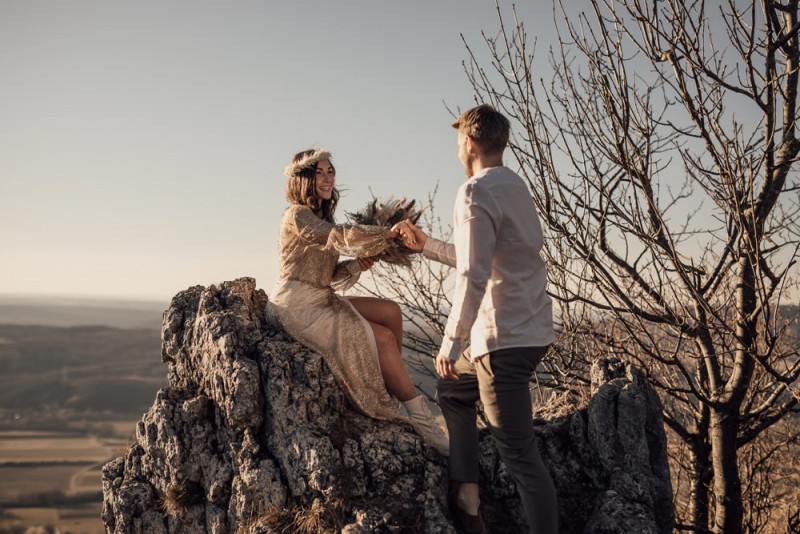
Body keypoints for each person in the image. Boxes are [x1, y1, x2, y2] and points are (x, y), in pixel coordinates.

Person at [393, 105, 558, 533]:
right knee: (453, 388)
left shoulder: (473, 192)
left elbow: (473, 274)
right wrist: (426, 245)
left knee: (521, 457)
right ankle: (467, 495)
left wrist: (451, 342)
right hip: (532, 330)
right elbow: (482, 257)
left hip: (503, 341)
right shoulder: (517, 188)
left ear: (467, 143)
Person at [266, 148, 449, 456]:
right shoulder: (296, 214)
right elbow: (336, 236)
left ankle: (393, 381)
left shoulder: (318, 215)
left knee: (390, 311)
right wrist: (385, 234)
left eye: (330, 172)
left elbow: (330, 274)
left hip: (321, 296)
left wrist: (359, 265)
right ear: (303, 180)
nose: (327, 178)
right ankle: (423, 423)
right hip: (297, 307)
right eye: (319, 173)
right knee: (383, 338)